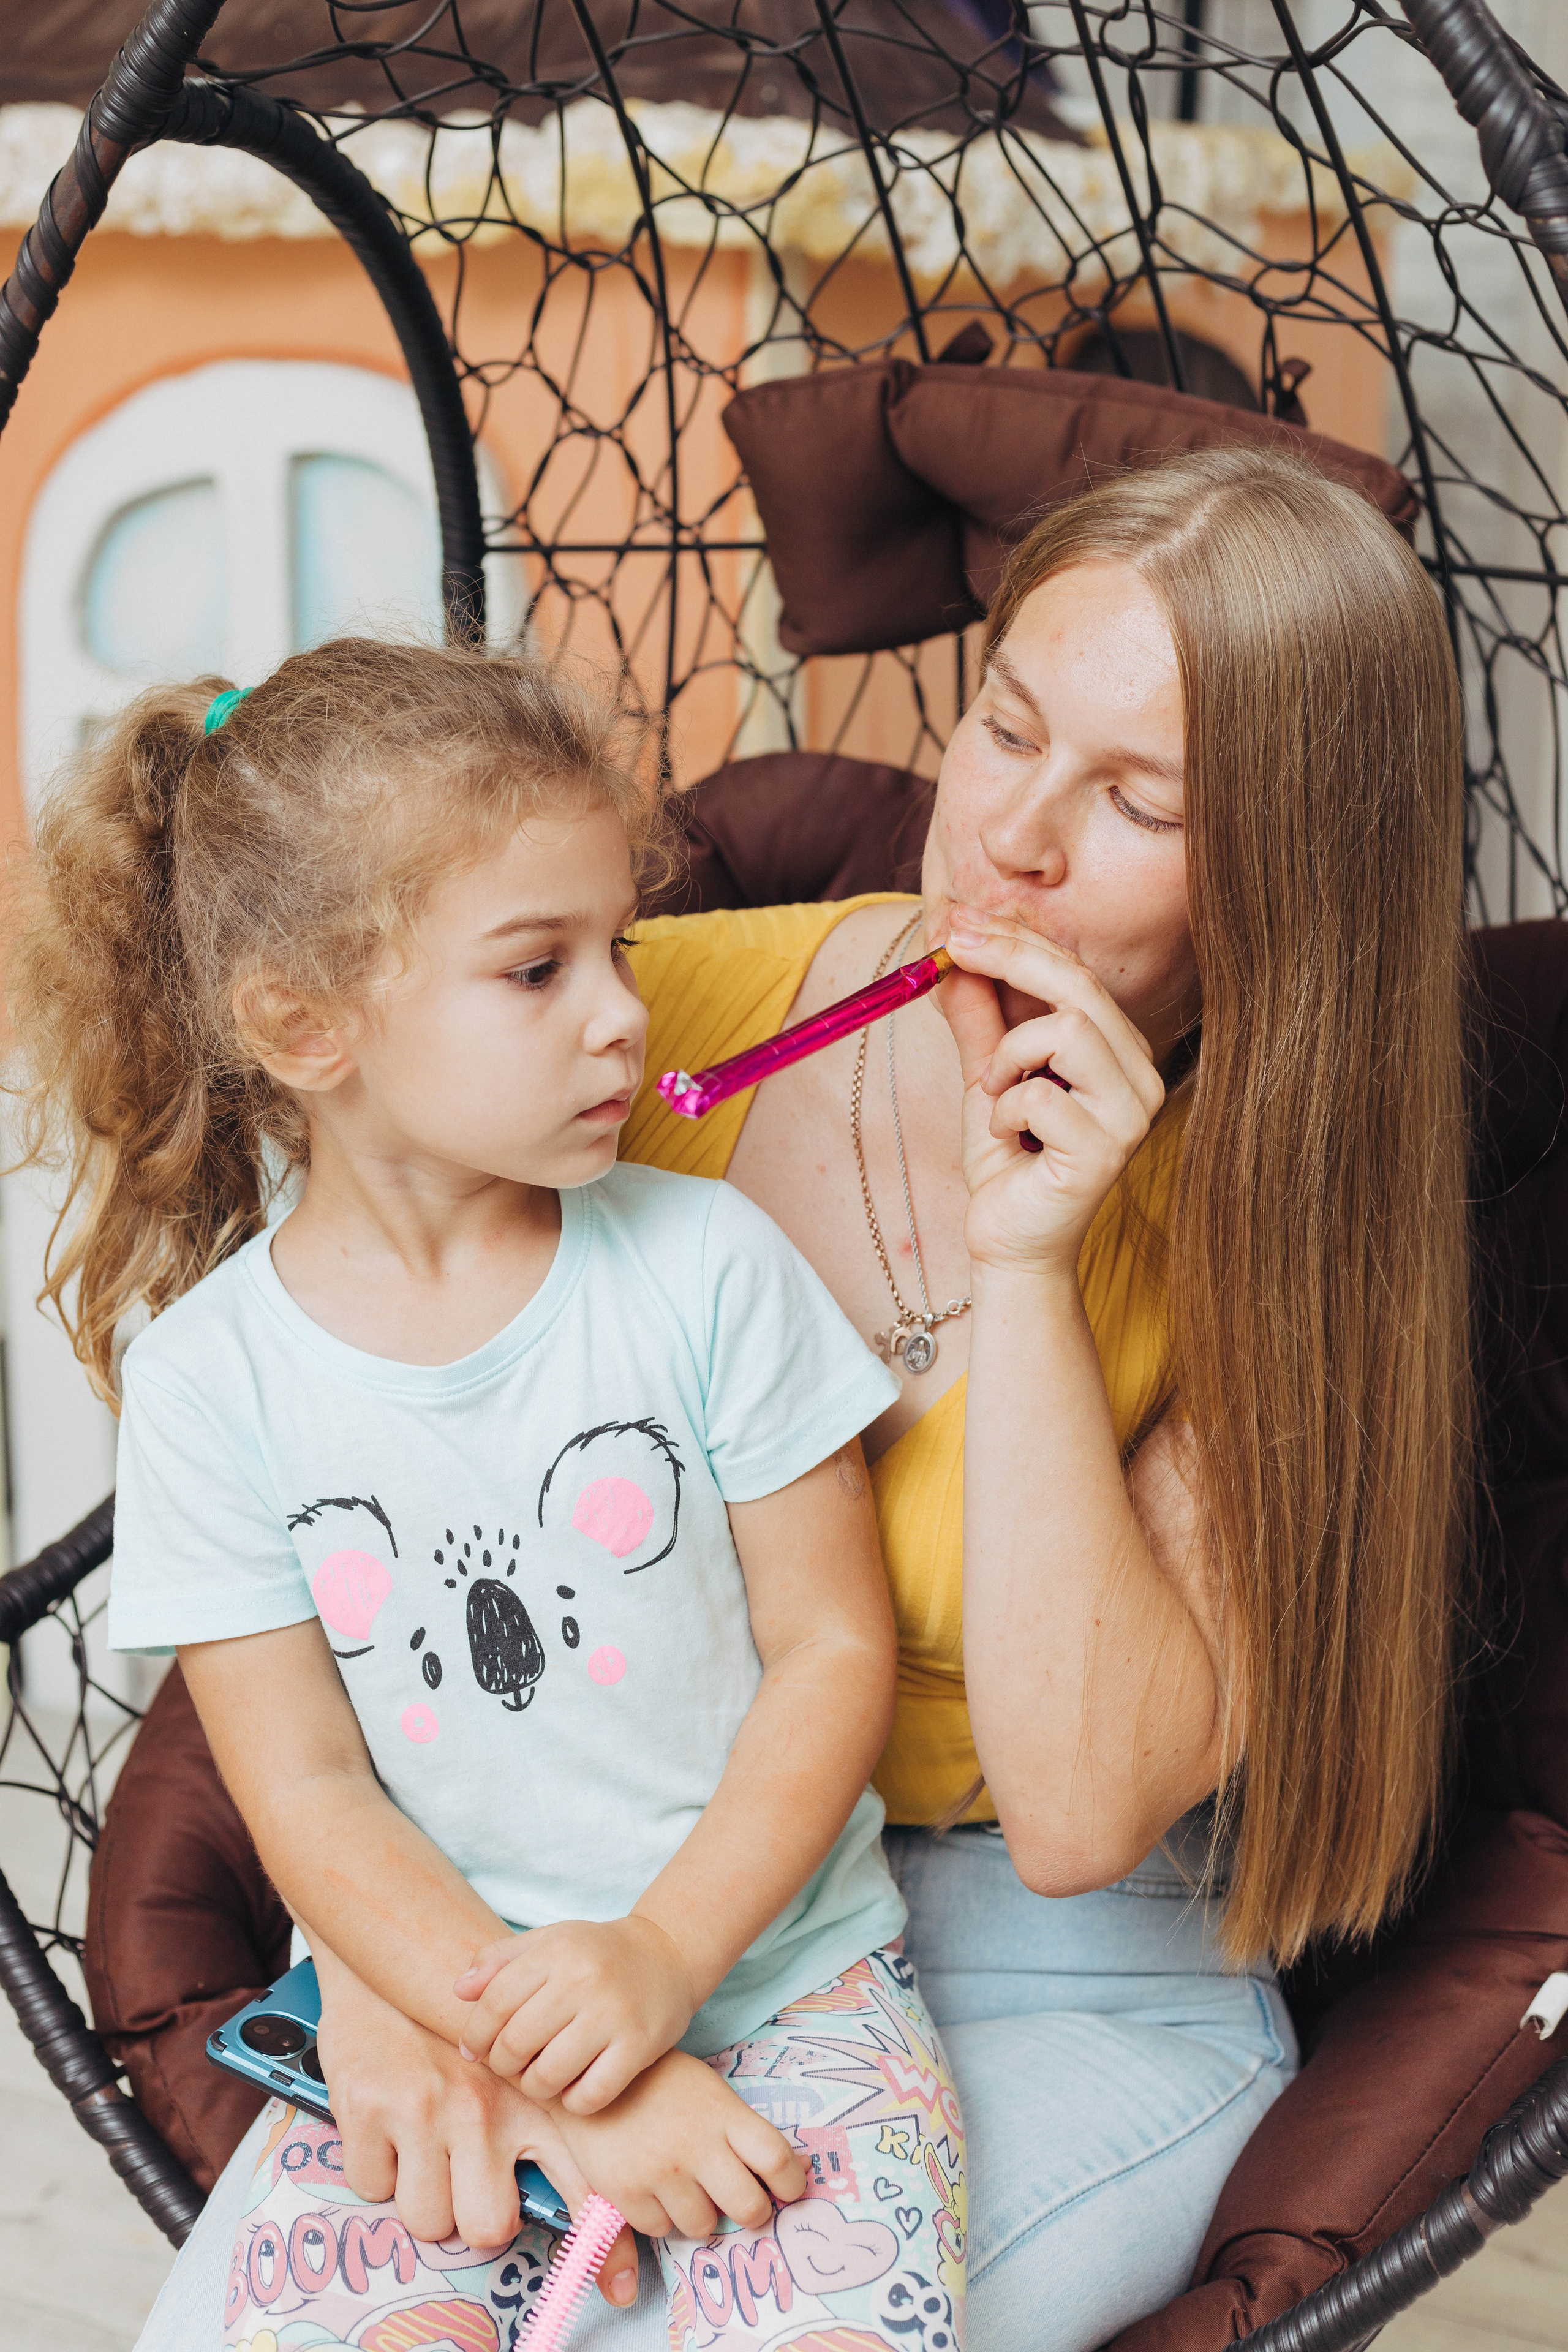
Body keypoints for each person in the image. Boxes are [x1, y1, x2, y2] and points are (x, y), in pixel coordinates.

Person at [27, 440, 1470, 2352]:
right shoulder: (631, 1028)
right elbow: (345, 1424)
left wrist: (1032, 1259)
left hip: (1054, 1975)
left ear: (1289, 869)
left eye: (1135, 801)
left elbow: (1072, 1820)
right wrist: (399, 1984)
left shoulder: (1290, 1236)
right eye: (1006, 727)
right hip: (551, 1922)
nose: (1013, 840)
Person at [9, 642, 969, 2352]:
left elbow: (833, 1651)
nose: (623, 1011)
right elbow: (301, 1784)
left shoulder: (710, 1270)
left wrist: (666, 1961)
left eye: (621, 947)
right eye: (537, 970)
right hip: (427, 2014)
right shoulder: (210, 1387)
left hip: (789, 1985)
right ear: (304, 1026)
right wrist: (543, 2067)